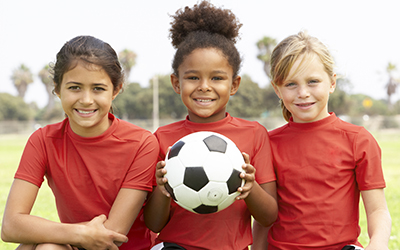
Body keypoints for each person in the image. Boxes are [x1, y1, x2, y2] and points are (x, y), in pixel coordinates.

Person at [1, 35, 159, 250]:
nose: (86, 99)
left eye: (98, 88)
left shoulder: (142, 143)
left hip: (119, 247)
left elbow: (113, 233)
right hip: (78, 243)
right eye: (75, 87)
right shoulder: (43, 140)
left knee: (44, 244)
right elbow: (10, 225)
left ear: (116, 89)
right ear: (57, 89)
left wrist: (48, 232)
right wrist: (77, 233)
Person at [143, 1, 278, 249]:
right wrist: (161, 189)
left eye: (217, 78)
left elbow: (269, 216)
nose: (204, 86)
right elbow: (153, 224)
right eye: (193, 77)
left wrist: (251, 187)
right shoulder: (162, 138)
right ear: (176, 83)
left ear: (234, 84)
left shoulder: (254, 134)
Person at [252, 31, 392, 250]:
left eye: (313, 82)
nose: (303, 93)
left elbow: (377, 210)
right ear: (276, 89)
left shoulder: (358, 140)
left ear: (332, 82)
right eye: (291, 84)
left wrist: (379, 244)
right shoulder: (266, 144)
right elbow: (264, 218)